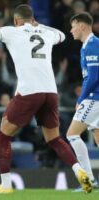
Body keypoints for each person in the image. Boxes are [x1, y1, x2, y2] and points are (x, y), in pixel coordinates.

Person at [0, 4, 92, 194]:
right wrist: (38, 26)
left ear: (16, 20)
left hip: (28, 92)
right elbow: (61, 34)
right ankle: (81, 172)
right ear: (33, 18)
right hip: (51, 92)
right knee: (54, 139)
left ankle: (6, 185)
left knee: (3, 136)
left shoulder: (12, 31)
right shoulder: (46, 32)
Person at [67, 12, 99, 191]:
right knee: (98, 138)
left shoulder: (93, 45)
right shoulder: (86, 46)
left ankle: (88, 180)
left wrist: (81, 98)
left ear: (83, 26)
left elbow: (94, 77)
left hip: (95, 97)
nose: (71, 30)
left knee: (72, 134)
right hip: (96, 98)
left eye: (73, 26)